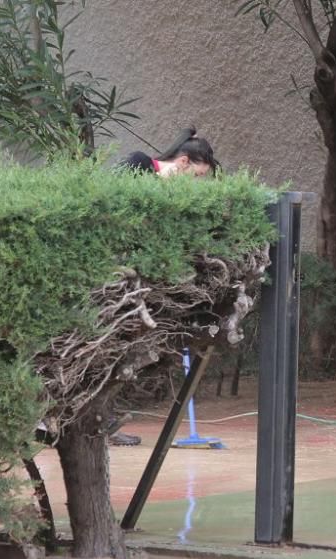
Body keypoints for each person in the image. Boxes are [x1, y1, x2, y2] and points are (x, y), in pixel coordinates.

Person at [107, 127, 219, 447]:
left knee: (125, 352)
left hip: (139, 289)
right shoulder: (139, 165)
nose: (198, 184)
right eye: (196, 176)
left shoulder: (174, 196)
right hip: (110, 281)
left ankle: (104, 421)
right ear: (182, 162)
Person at [119, 126, 219, 178]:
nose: (195, 182)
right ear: (183, 161)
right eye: (196, 175)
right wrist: (159, 179)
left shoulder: (179, 194)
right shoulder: (137, 161)